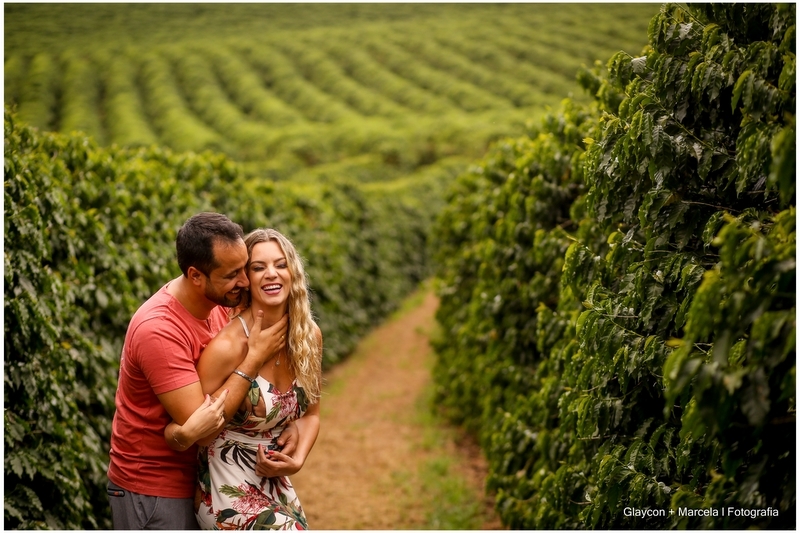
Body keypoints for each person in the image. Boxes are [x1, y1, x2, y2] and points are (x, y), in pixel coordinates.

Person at [107, 213, 297, 529]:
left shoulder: (219, 306)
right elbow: (204, 426)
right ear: (196, 276)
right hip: (154, 487)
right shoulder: (159, 330)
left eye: (244, 268)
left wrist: (286, 425)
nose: (246, 282)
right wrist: (252, 360)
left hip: (204, 478)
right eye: (233, 274)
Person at [174, 228, 323, 530]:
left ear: (292, 272)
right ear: (246, 279)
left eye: (280, 264)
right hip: (225, 484)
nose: (272, 274)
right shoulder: (227, 347)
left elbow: (311, 415)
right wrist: (250, 362)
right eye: (259, 267)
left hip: (274, 484)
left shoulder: (309, 337)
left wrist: (297, 460)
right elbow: (198, 430)